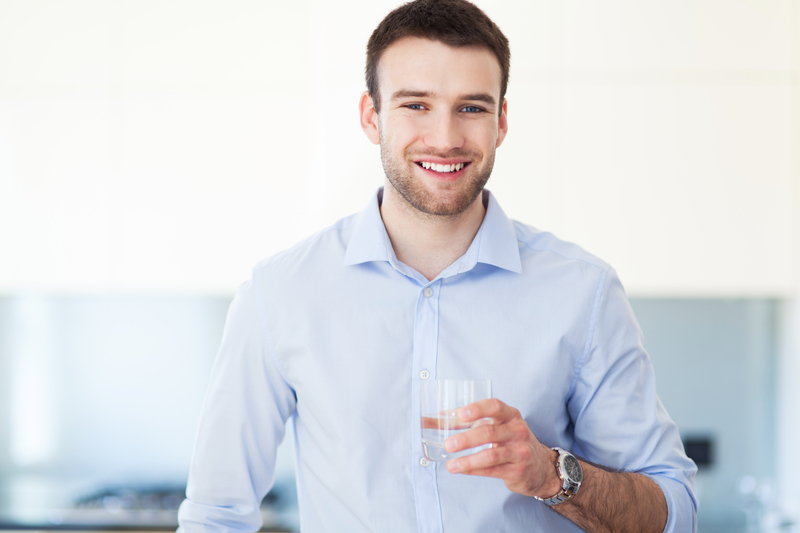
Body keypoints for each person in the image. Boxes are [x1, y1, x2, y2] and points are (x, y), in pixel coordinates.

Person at [177, 0, 698, 531]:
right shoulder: (279, 293)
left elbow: (674, 511)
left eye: (471, 108)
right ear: (371, 116)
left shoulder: (582, 292)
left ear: (501, 122)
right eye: (415, 105)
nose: (446, 138)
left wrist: (550, 473)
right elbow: (215, 514)